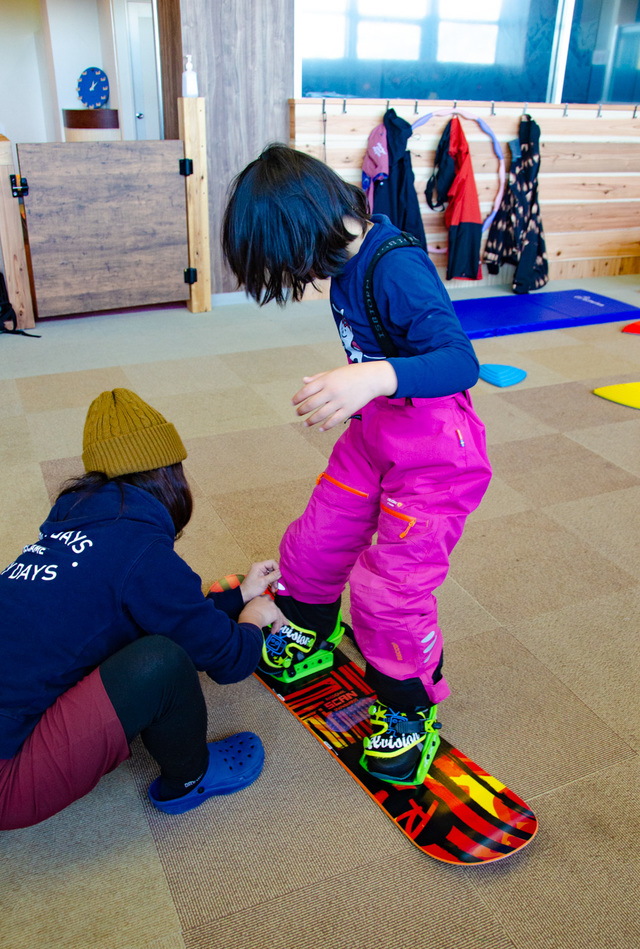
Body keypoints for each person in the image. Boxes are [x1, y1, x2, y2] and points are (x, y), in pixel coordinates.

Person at [222, 144, 492, 786]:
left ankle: (410, 710)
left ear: (299, 231)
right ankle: (311, 633)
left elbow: (461, 361)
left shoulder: (396, 266)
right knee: (313, 544)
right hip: (379, 434)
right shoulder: (342, 254)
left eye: (277, 262)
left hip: (437, 454)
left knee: (387, 590)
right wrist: (357, 391)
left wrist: (372, 376)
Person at [0, 388, 283, 830]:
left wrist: (238, 594)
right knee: (162, 661)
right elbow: (230, 663)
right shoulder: (143, 552)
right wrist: (252, 620)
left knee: (131, 628)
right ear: (170, 476)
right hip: (6, 777)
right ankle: (191, 778)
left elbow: (155, 608)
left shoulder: (70, 528)